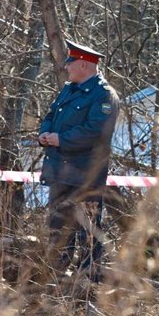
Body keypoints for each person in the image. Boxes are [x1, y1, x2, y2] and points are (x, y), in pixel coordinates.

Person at [38, 39, 120, 280]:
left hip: (86, 175)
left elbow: (96, 131)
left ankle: (87, 279)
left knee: (88, 229)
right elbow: (51, 114)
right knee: (58, 226)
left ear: (83, 65)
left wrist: (61, 139)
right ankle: (56, 275)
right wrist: (45, 133)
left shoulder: (104, 95)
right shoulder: (69, 89)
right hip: (59, 172)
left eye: (70, 63)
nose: (66, 67)